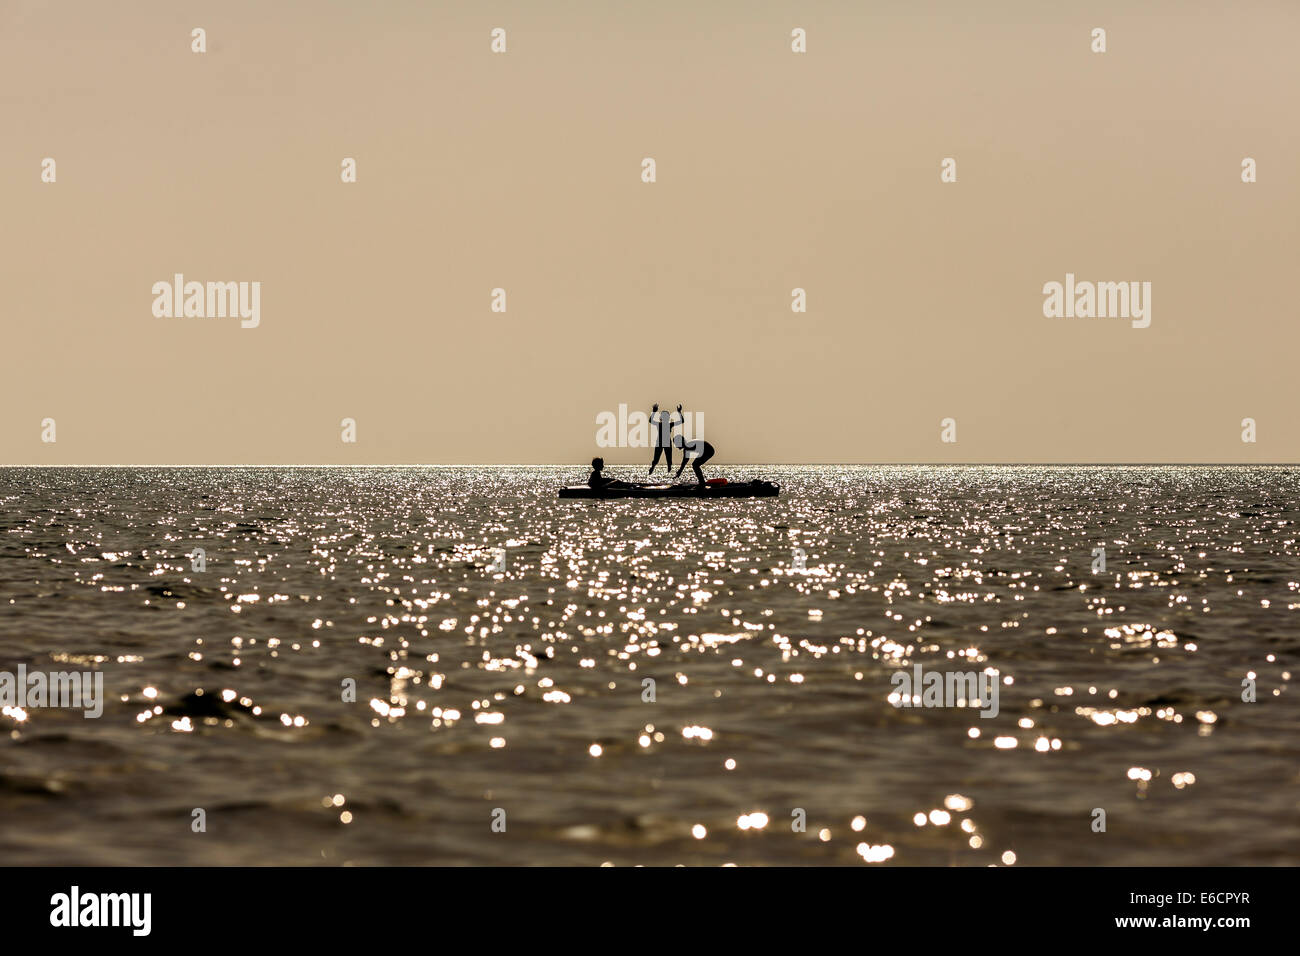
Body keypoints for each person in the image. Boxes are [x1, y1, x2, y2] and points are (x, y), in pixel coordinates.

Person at [648, 403, 683, 475]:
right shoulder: (662, 424)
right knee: (657, 458)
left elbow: (682, 421)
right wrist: (654, 412)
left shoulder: (668, 424)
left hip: (664, 442)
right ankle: (653, 467)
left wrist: (679, 412)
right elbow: (650, 421)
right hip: (661, 442)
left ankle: (667, 467)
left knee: (668, 459)